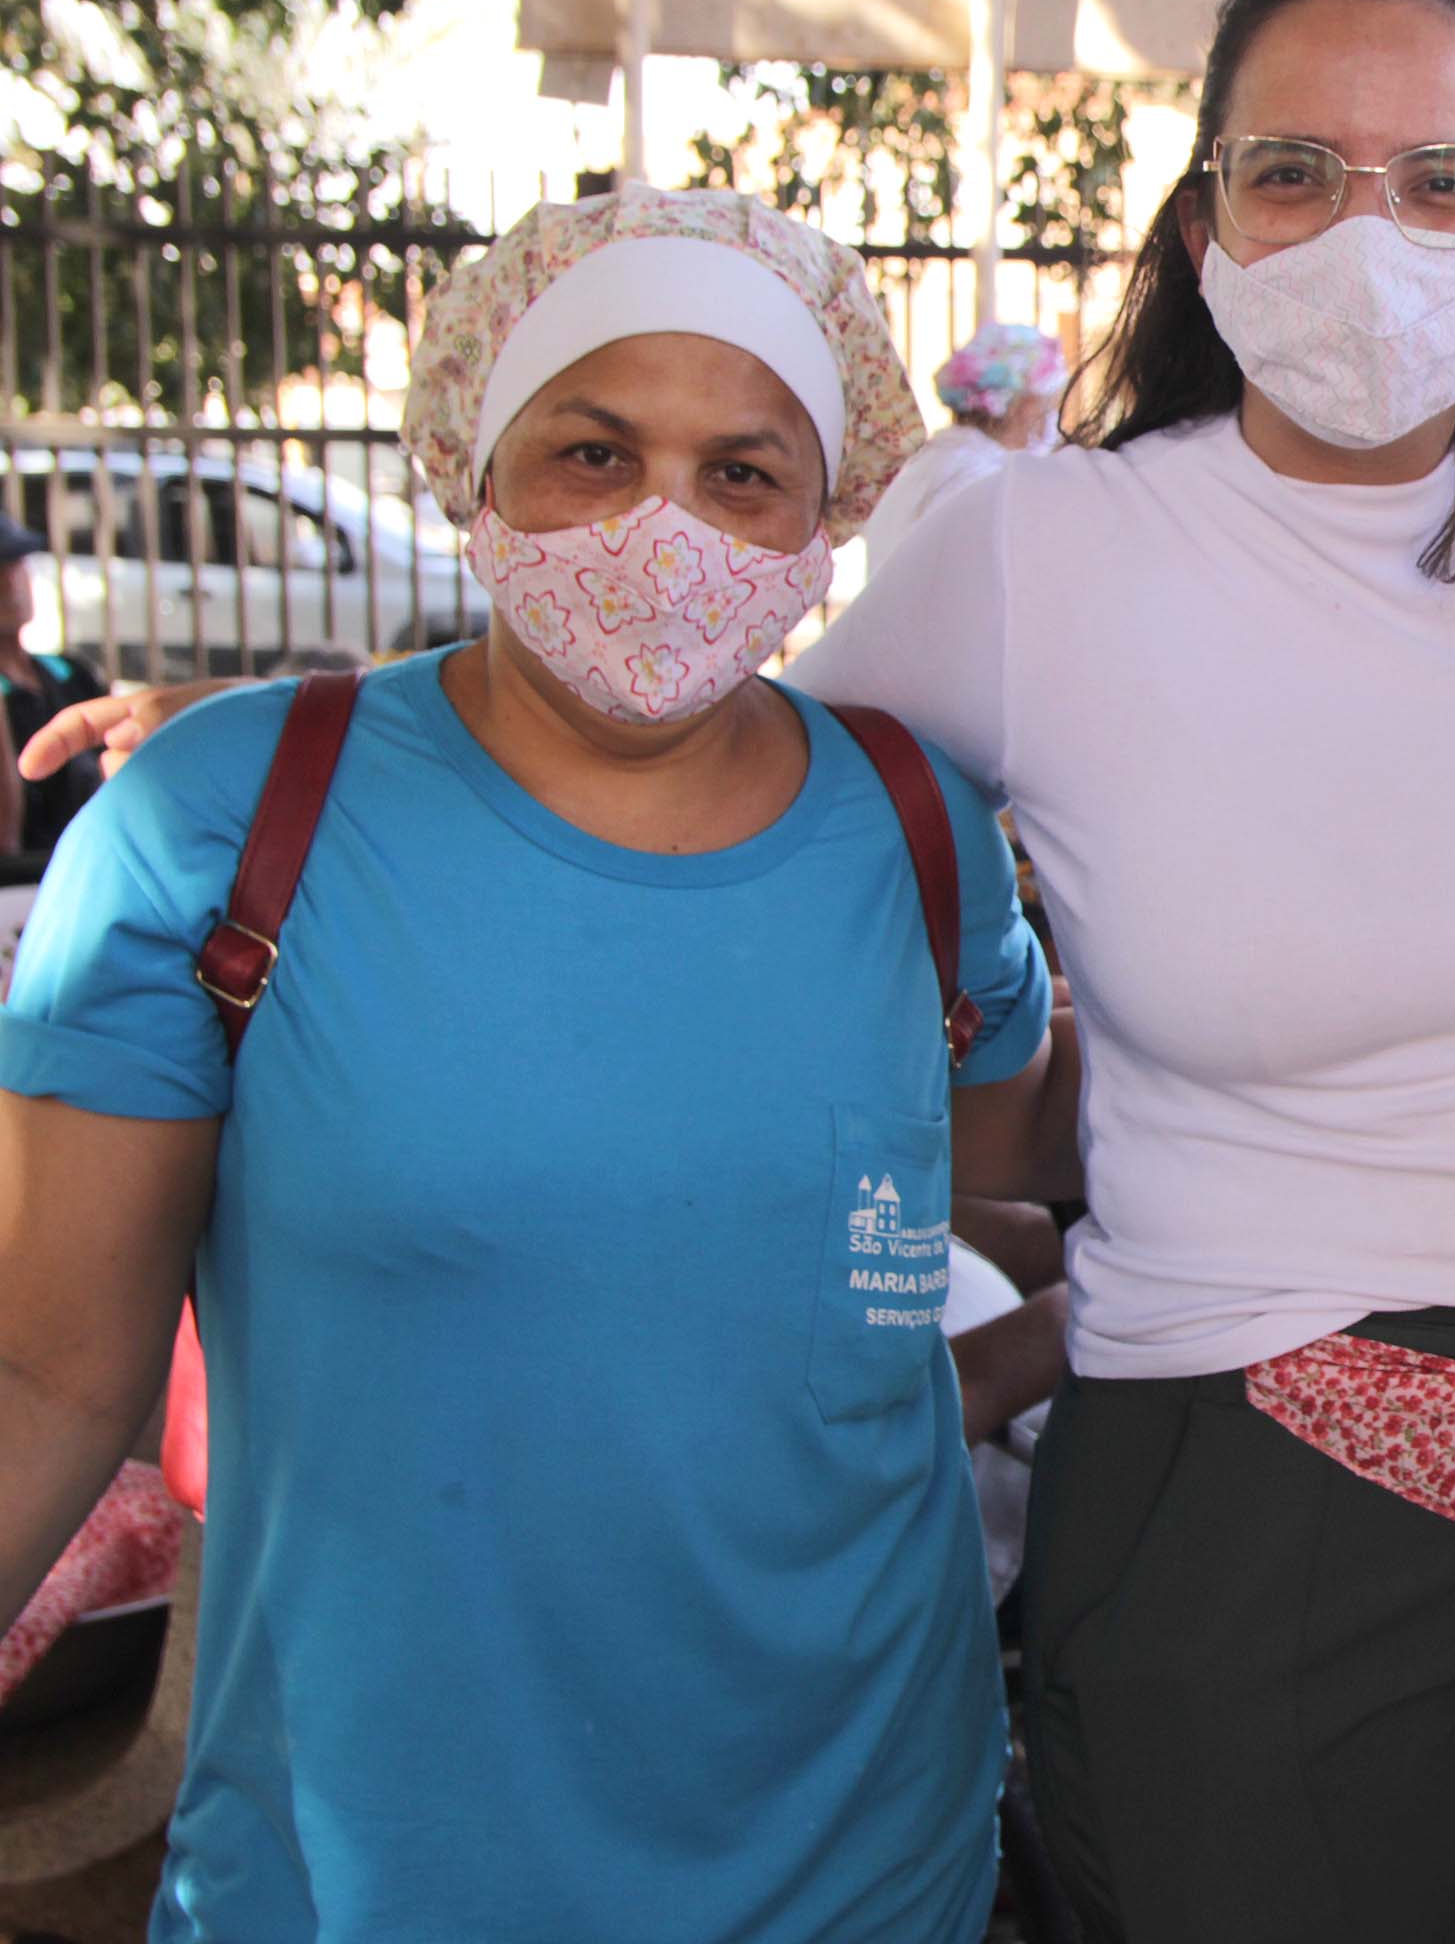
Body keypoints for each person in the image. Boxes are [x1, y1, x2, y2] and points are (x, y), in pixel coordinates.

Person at [779, 0, 1455, 1944]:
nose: (1367, 235)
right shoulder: (1041, 552)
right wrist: (316, 738)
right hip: (1247, 1485)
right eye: (1292, 173)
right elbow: (710, 790)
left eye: (1438, 180)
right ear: (1203, 227)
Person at [0, 183, 1070, 1943]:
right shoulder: (227, 826)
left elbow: (987, 1145)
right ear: (471, 463)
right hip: (368, 1878)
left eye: (742, 472)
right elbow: (47, 1373)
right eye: (592, 451)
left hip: (864, 1860)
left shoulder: (916, 832)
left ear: (827, 517)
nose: (663, 527)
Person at [863, 319, 1071, 563]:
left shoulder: (930, 463)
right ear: (1023, 407)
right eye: (1049, 403)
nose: (1053, 417)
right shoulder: (984, 478)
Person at [0, 517, 107, 874]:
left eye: (16, 564)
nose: (11, 582)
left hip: (93, 867)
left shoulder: (71, 674)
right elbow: (5, 837)